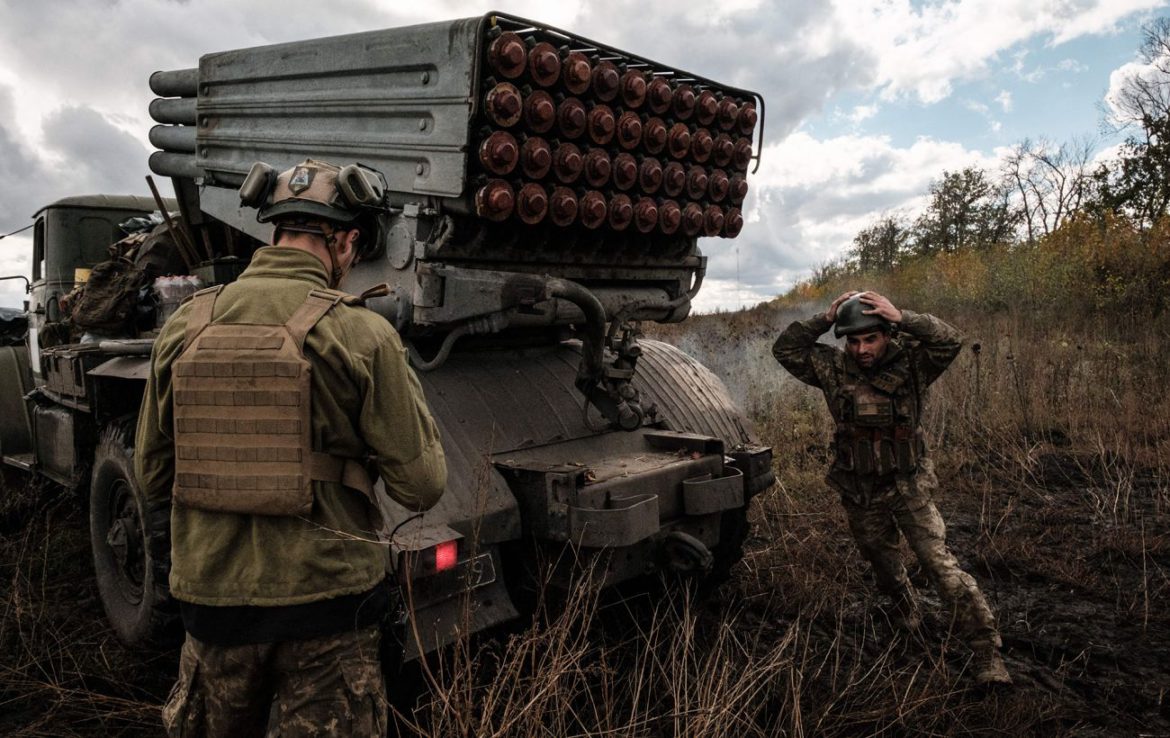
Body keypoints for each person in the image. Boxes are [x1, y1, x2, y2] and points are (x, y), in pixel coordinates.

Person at [136, 158, 448, 736]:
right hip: (328, 610)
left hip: (213, 609)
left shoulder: (184, 325)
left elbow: (152, 477)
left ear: (273, 231)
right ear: (348, 242)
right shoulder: (364, 334)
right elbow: (422, 486)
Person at [773, 290, 1011, 688]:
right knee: (882, 564)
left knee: (941, 568)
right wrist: (825, 318)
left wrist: (904, 317)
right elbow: (786, 349)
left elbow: (949, 339)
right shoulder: (833, 368)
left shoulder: (914, 364)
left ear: (887, 335)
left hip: (908, 486)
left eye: (871, 338)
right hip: (860, 488)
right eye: (853, 340)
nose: (861, 349)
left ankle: (986, 652)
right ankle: (905, 612)